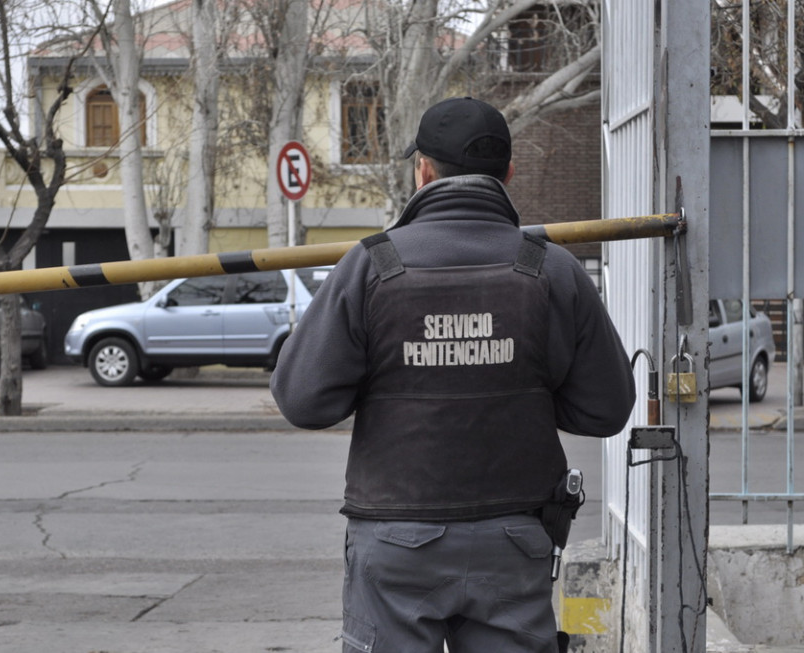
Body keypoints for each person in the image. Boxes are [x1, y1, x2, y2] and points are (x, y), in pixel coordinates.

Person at [270, 96, 635, 653]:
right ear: (508, 173)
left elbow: (303, 400)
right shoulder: (551, 268)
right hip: (515, 541)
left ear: (423, 169)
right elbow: (607, 407)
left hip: (396, 543)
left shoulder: (371, 265)